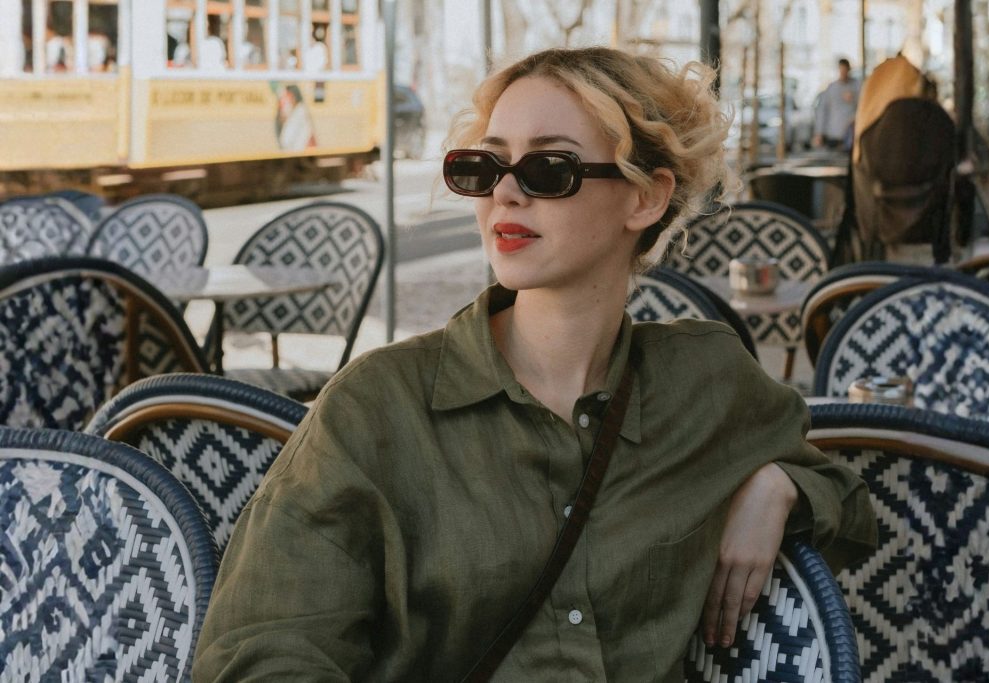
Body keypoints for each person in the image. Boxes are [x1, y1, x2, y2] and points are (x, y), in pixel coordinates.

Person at [194, 46, 876, 680]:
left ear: (646, 196)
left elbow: (851, 496)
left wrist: (780, 487)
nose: (505, 195)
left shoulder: (705, 383)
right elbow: (263, 651)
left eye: (550, 168)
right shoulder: (377, 409)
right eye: (485, 167)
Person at [813, 58, 860, 150]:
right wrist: (819, 133)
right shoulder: (831, 88)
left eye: (845, 70)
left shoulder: (857, 86)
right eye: (841, 70)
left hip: (851, 134)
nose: (843, 73)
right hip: (833, 135)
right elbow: (822, 111)